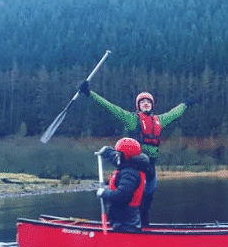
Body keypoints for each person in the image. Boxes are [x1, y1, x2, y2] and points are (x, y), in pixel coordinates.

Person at [79, 82, 192, 227]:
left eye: (148, 102)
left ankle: (143, 225)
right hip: (135, 166)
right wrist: (90, 94)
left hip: (150, 166)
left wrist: (185, 104)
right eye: (142, 102)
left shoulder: (159, 120)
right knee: (132, 198)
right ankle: (125, 224)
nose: (146, 104)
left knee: (148, 198)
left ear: (152, 105)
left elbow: (174, 113)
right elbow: (111, 107)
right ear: (138, 106)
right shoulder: (132, 120)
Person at [96, 138, 150, 232]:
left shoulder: (129, 174)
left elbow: (122, 196)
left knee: (127, 236)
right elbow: (117, 158)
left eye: (118, 153)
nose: (116, 156)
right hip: (120, 218)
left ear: (124, 155)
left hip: (126, 220)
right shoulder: (129, 164)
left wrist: (104, 192)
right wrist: (106, 151)